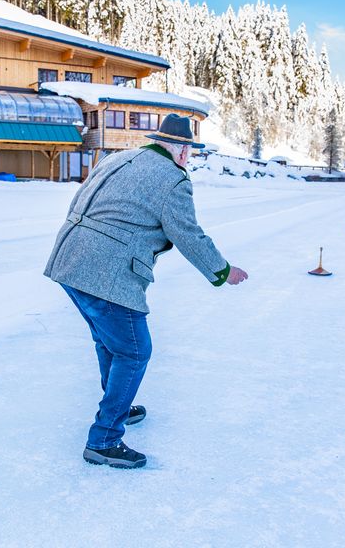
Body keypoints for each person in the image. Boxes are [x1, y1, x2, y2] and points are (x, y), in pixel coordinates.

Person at [44, 113, 249, 469]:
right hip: (106, 273)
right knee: (136, 351)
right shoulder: (172, 178)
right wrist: (222, 271)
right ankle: (104, 439)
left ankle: (118, 405)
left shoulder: (117, 158)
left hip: (69, 259)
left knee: (111, 342)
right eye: (190, 154)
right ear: (183, 152)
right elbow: (188, 234)